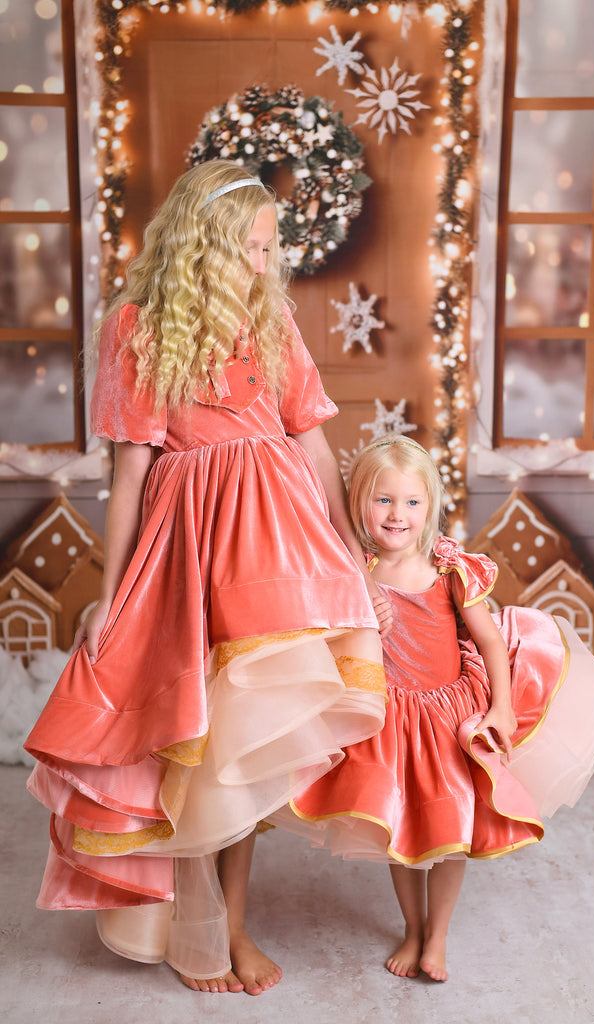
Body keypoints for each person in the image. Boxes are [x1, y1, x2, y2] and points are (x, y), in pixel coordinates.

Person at [24, 160, 391, 995]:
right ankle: (201, 928)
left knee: (244, 745)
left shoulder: (272, 318)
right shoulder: (138, 326)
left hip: (280, 544)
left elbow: (310, 442)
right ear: (207, 243)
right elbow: (129, 475)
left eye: (268, 249)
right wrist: (112, 596)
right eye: (251, 249)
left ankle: (231, 924)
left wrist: (346, 550)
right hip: (193, 545)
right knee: (195, 743)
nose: (264, 264)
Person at [270, 435, 594, 982]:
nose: (397, 514)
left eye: (411, 502)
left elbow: (489, 643)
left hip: (448, 717)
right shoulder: (357, 571)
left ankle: (436, 936)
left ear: (430, 505)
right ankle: (412, 929)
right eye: (383, 500)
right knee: (400, 829)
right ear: (359, 502)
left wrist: (501, 708)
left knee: (451, 829)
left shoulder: (450, 569)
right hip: (391, 721)